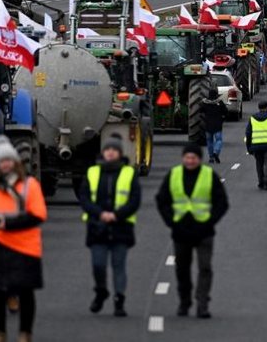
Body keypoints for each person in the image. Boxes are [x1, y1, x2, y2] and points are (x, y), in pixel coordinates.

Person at [0, 137, 47, 342]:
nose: (5, 164)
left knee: (25, 293)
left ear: (15, 162)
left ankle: (25, 333)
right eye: (1, 161)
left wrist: (7, 224)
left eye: (8, 160)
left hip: (26, 248)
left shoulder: (29, 186)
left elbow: (38, 215)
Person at [155, 145, 229, 319]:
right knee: (182, 270)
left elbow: (222, 202)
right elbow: (161, 200)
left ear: (199, 159)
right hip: (180, 232)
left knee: (205, 267)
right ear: (183, 158)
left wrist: (210, 221)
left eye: (193, 158)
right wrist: (171, 221)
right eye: (187, 157)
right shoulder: (173, 175)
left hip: (204, 232)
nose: (190, 161)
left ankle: (202, 303)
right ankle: (184, 301)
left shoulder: (209, 176)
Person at [79, 139, 141, 318]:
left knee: (118, 265)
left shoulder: (129, 173)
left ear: (120, 153)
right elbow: (84, 199)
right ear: (103, 153)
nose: (111, 153)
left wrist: (117, 215)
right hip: (97, 226)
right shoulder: (92, 172)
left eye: (115, 150)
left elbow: (134, 200)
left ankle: (119, 301)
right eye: (108, 150)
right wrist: (100, 214)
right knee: (98, 264)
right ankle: (101, 291)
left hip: (121, 227)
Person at [201, 88, 227, 164]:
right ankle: (216, 152)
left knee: (209, 141)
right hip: (217, 125)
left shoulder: (205, 103)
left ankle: (211, 157)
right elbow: (226, 112)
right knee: (218, 140)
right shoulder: (220, 102)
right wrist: (222, 118)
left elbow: (200, 111)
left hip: (208, 125)